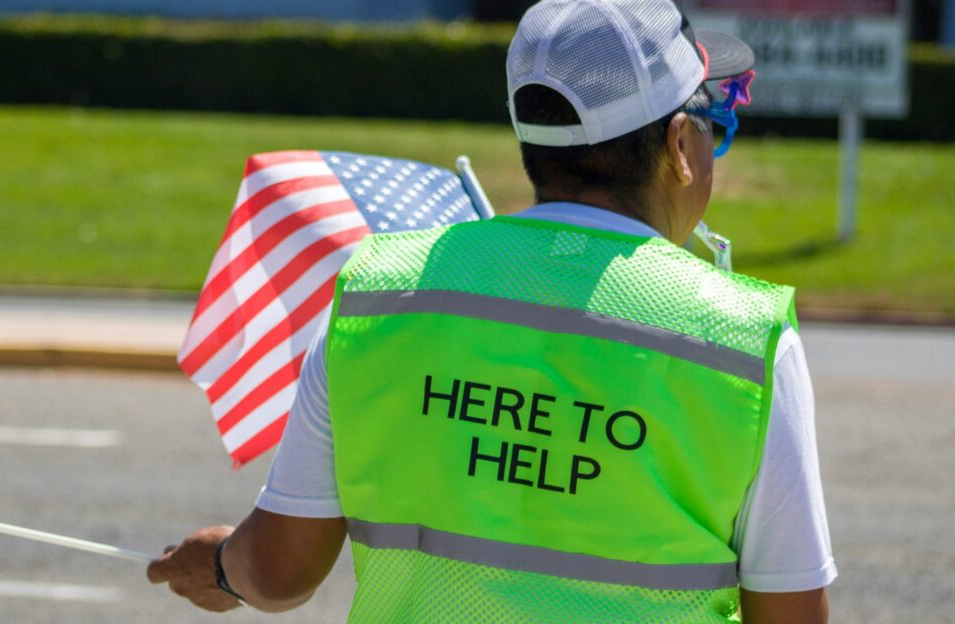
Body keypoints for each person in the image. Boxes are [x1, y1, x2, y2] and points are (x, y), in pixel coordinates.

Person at [147, 0, 836, 621]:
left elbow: (279, 570)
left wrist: (220, 565)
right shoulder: (744, 340)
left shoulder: (379, 293)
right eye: (715, 130)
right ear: (681, 147)